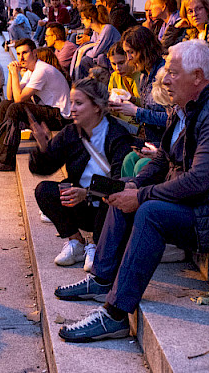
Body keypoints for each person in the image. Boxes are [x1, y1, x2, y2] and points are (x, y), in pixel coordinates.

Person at [54, 40, 209, 343]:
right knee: (124, 191)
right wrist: (134, 185)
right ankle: (103, 278)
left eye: (172, 72)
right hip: (205, 204)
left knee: (149, 210)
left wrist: (141, 196)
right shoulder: (187, 104)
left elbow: (198, 180)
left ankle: (116, 315)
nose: (165, 79)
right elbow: (162, 159)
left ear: (198, 76)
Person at [30, 77, 135, 271]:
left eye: (79, 103)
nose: (73, 108)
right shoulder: (71, 132)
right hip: (81, 206)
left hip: (107, 209)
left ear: (96, 107)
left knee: (110, 197)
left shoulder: (118, 136)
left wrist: (86, 193)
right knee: (44, 190)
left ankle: (98, 245)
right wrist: (43, 148)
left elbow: (120, 184)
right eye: (72, 103)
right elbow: (42, 169)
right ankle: (75, 242)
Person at [0, 39, 71, 168]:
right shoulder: (31, 71)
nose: (21, 57)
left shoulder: (41, 70)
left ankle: (3, 158)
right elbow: (10, 96)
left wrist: (15, 74)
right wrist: (11, 73)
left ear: (34, 53)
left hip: (60, 116)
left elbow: (19, 99)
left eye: (25, 53)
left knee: (16, 108)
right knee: (5, 105)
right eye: (18, 54)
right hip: (48, 111)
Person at [109, 25, 168, 143]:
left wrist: (135, 111)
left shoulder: (164, 74)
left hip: (162, 142)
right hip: (149, 137)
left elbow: (171, 119)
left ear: (145, 50)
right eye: (127, 53)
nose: (129, 58)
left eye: (131, 52)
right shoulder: (144, 76)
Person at [75, 4, 121, 80]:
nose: (82, 22)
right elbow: (92, 47)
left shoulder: (107, 29)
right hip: (102, 61)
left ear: (90, 19)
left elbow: (94, 52)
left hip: (111, 62)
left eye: (83, 19)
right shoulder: (96, 32)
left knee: (84, 60)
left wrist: (84, 51)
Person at [107, 42, 141, 126]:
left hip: (139, 124)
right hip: (121, 122)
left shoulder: (141, 75)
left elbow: (148, 105)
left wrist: (131, 99)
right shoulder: (115, 76)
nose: (117, 68)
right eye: (113, 64)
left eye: (121, 63)